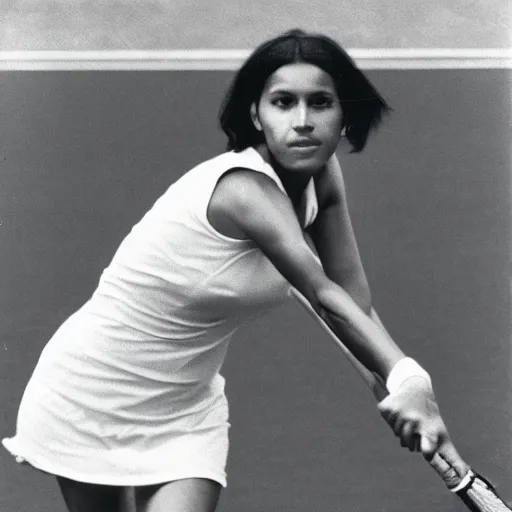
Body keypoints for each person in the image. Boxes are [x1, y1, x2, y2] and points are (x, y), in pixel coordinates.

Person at [2, 29, 467, 512]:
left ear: (343, 111)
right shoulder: (244, 191)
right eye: (283, 103)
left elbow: (356, 305)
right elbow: (324, 295)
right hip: (93, 393)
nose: (303, 121)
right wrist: (411, 380)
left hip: (185, 410)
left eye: (320, 103)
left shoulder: (322, 177)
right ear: (256, 115)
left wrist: (406, 395)